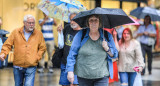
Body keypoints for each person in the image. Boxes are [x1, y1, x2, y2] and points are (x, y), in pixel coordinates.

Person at [66, 14, 118, 86]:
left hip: (102, 76)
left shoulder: (106, 35)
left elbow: (114, 55)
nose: (93, 23)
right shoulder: (81, 34)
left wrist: (107, 49)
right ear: (88, 22)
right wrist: (70, 71)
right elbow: (72, 54)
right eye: (91, 20)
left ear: (99, 23)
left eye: (96, 20)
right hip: (83, 76)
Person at [0, 14, 46, 86]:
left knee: (28, 84)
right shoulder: (16, 32)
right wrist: (3, 53)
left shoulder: (38, 34)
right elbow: (7, 45)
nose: (31, 25)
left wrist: (36, 58)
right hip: (17, 66)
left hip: (31, 65)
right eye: (29, 23)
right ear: (24, 23)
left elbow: (42, 48)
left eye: (33, 23)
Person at [57, 13, 81, 86]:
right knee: (64, 83)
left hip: (77, 64)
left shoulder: (83, 32)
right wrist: (60, 32)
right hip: (65, 62)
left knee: (74, 84)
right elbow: (61, 44)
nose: (72, 22)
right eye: (71, 20)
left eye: (74, 20)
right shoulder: (67, 28)